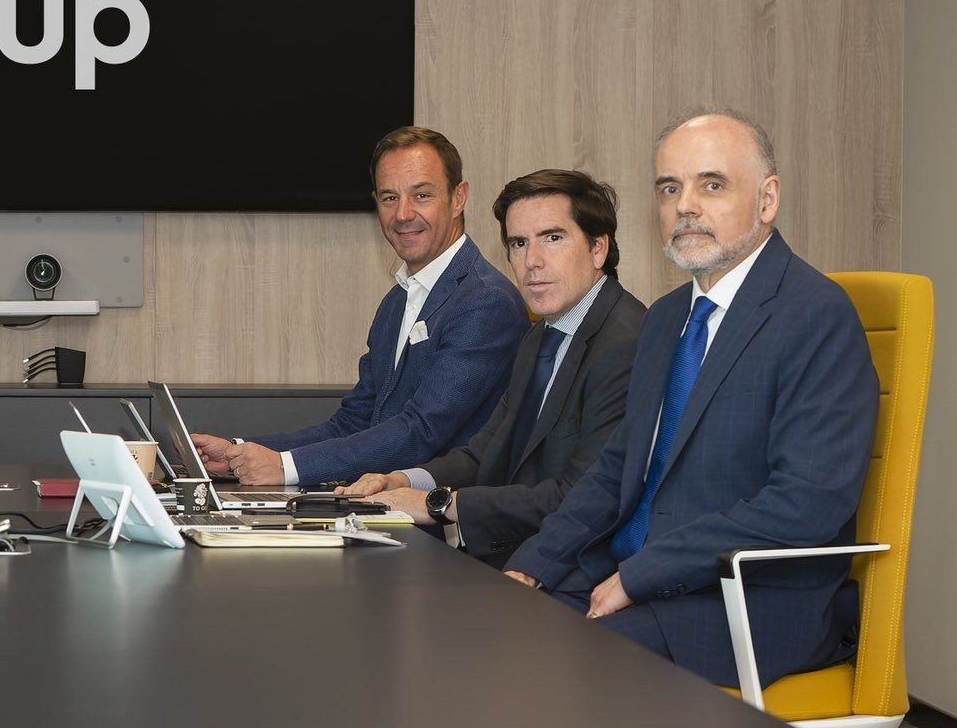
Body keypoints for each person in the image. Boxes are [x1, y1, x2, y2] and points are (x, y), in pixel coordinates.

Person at [503, 111, 877, 687]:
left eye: (712, 184)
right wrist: (533, 564)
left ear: (768, 199)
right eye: (669, 188)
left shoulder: (816, 315)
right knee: (491, 635)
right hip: (640, 575)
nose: (685, 207)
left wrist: (643, 575)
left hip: (745, 601)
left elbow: (807, 502)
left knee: (552, 673)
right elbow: (616, 470)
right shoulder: (666, 318)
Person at [341, 169, 646, 567]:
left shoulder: (627, 342)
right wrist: (402, 479)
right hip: (516, 552)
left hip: (578, 569)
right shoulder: (542, 336)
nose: (532, 262)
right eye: (519, 243)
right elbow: (485, 453)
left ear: (597, 248)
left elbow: (581, 495)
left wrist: (438, 504)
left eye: (553, 238)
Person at [192, 126, 526, 486]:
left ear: (459, 198)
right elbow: (352, 423)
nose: (403, 214)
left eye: (422, 195)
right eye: (389, 198)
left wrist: (285, 466)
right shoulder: (397, 301)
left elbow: (421, 431)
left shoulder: (485, 301)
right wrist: (238, 452)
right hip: (385, 505)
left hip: (445, 515)